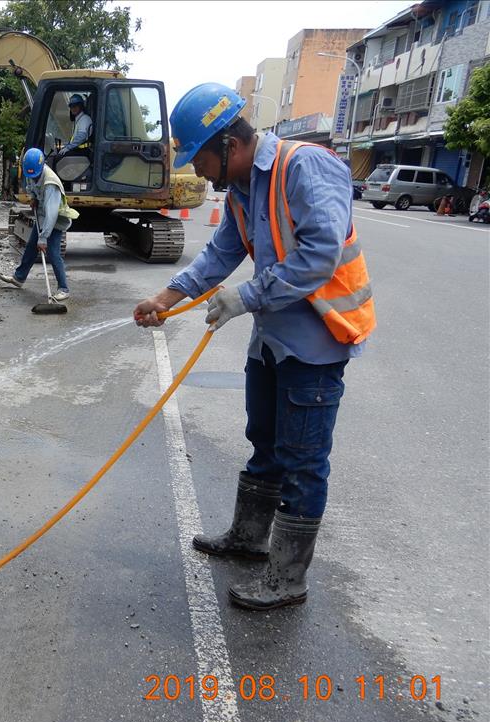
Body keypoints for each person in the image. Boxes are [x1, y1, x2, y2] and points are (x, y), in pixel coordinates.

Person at [133, 83, 375, 611]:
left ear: (229, 145)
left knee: (303, 461)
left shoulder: (306, 167)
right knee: (264, 441)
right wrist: (164, 297)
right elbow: (218, 255)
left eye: (199, 160)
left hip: (315, 343)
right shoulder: (242, 191)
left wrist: (245, 297)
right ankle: (248, 539)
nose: (197, 173)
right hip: (271, 340)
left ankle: (288, 577)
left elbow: (319, 255)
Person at [0, 147, 78, 301]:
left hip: (55, 221)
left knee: (53, 253)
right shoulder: (32, 171)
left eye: (35, 176)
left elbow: (52, 214)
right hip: (42, 217)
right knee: (30, 247)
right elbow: (32, 186)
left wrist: (43, 238)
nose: (33, 178)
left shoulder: (50, 184)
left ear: (42, 167)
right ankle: (19, 278)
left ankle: (64, 288)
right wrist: (34, 197)